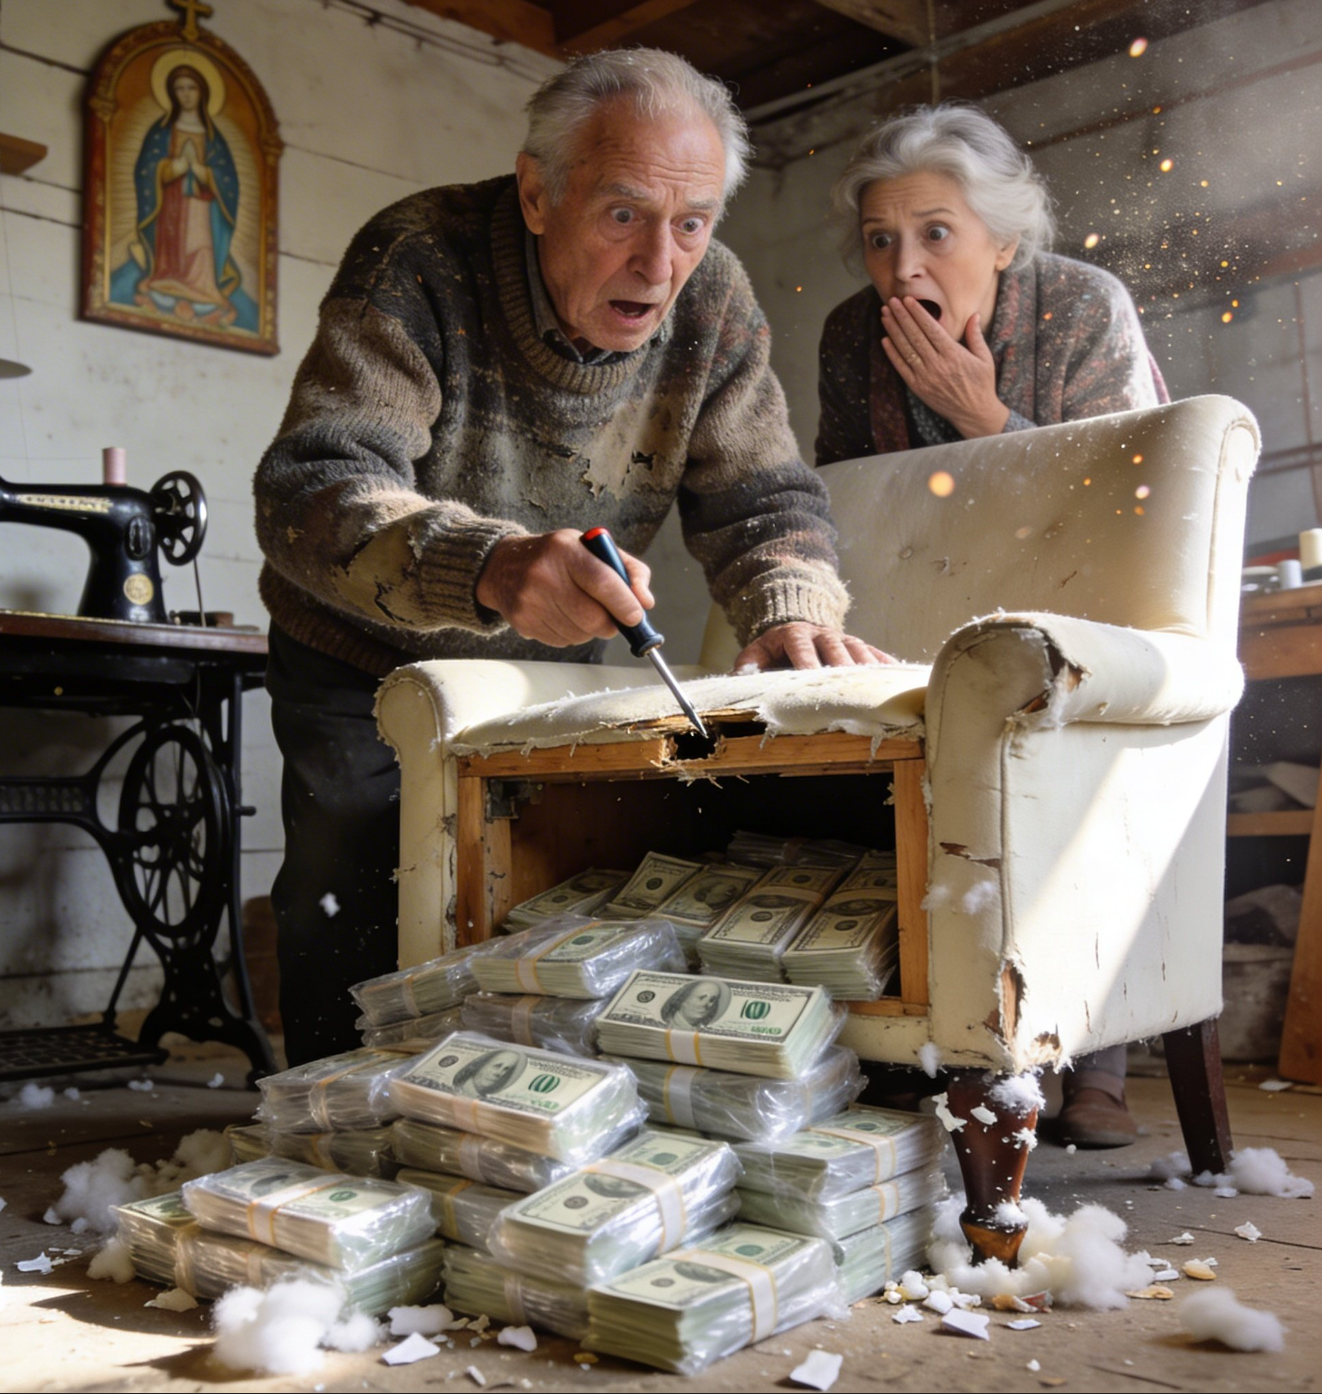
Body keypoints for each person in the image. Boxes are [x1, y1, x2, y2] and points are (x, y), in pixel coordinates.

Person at [254, 48, 887, 1067]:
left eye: (691, 224)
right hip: (364, 647)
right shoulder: (417, 254)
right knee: (359, 888)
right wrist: (490, 568)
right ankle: (331, 1133)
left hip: (541, 657)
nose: (658, 266)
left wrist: (786, 603)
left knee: (557, 894)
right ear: (537, 192)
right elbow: (315, 485)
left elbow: (761, 496)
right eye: (623, 215)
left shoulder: (712, 299)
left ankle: (511, 1108)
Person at [818, 103, 1168, 1149]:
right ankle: (932, 1037)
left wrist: (988, 422)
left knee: (1071, 767)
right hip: (934, 607)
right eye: (881, 238)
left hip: (1091, 605)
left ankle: (1088, 1054)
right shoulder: (851, 333)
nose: (901, 265)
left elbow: (1133, 496)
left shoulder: (1078, 305)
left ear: (1003, 241)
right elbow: (846, 494)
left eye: (935, 232)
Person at [110, 62, 257, 331]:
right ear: (171, 93)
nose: (186, 94)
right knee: (173, 246)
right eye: (179, 89)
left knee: (200, 247)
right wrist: (171, 168)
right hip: (171, 202)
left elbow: (227, 179)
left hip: (203, 205)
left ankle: (204, 289)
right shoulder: (162, 129)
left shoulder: (214, 136)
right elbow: (146, 168)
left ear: (202, 93)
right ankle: (166, 280)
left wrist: (203, 172)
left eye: (191, 88)